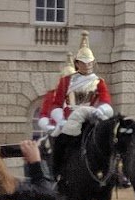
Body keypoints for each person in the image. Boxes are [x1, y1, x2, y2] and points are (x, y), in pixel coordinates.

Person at [38, 32, 115, 172]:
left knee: (107, 141)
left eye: (90, 62)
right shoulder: (66, 81)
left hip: (91, 117)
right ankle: (57, 172)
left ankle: (112, 173)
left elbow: (105, 100)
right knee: (59, 143)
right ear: (77, 63)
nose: (87, 65)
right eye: (83, 62)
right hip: (69, 119)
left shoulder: (99, 81)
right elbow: (56, 105)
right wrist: (60, 120)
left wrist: (101, 110)